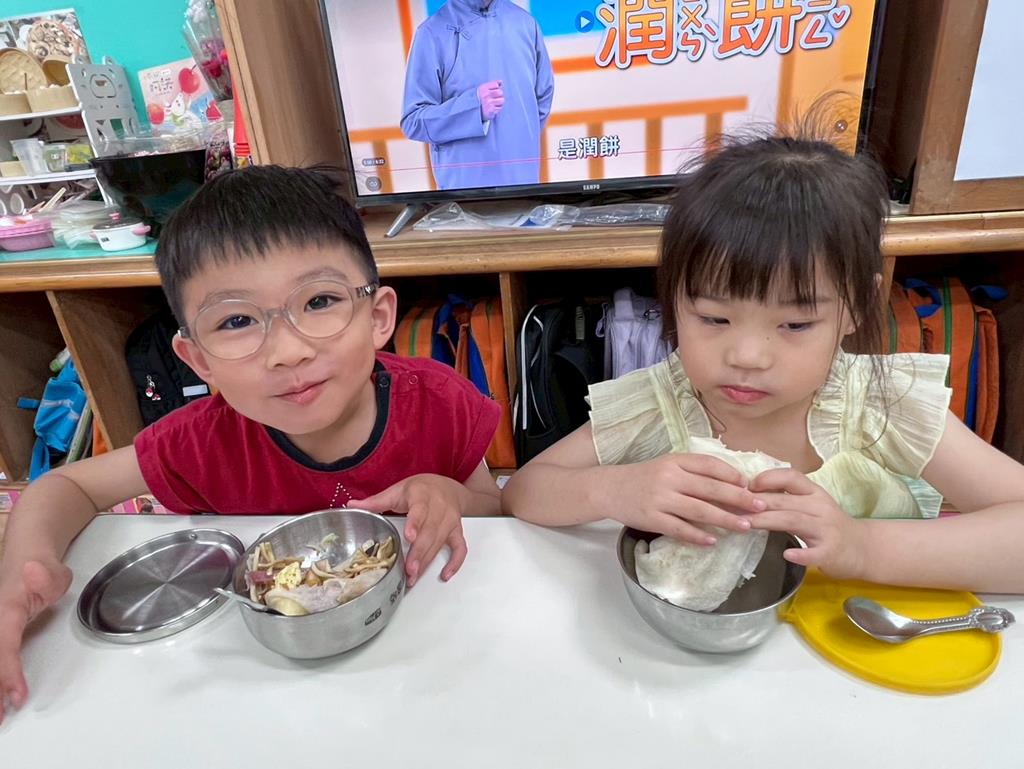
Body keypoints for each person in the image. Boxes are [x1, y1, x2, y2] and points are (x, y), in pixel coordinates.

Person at [0, 165, 501, 722]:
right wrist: (23, 571)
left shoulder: (438, 402)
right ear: (198, 359)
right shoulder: (201, 440)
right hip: (257, 693)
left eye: (319, 302)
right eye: (237, 320)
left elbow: (496, 510)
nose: (288, 351)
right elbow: (67, 485)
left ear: (378, 317)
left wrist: (452, 497)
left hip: (432, 669)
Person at [503, 132, 1024, 595]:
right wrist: (612, 488)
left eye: (795, 325)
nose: (746, 357)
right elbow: (525, 492)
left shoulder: (883, 406)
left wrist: (862, 547)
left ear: (856, 307)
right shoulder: (660, 402)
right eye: (713, 317)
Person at [401, 0, 554, 190]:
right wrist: (472, 109)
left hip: (525, 189)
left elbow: (542, 100)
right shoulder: (430, 33)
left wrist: (515, 140)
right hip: (464, 195)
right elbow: (413, 121)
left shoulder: (526, 24)